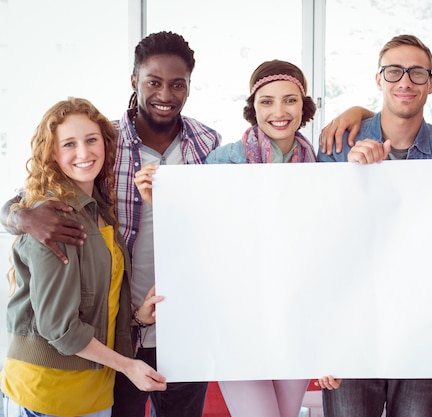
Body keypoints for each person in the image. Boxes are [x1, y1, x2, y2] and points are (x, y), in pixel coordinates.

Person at [0, 31, 221, 417]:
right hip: (117, 331)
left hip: (186, 322)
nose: (165, 94)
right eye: (153, 82)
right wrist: (22, 217)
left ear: (189, 86)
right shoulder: (104, 143)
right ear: (134, 81)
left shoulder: (207, 142)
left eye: (177, 84)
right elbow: (33, 192)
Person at [315, 34, 432, 417]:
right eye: (394, 71)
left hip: (424, 328)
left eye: (417, 73)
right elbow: (322, 250)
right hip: (353, 327)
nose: (405, 82)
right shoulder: (338, 146)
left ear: (431, 83)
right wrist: (352, 178)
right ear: (379, 79)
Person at [134, 59, 317, 417]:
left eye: (290, 100)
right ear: (253, 108)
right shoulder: (222, 162)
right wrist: (164, 203)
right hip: (236, 322)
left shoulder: (321, 165)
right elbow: (199, 236)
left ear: (304, 105)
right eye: (266, 101)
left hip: (295, 321)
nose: (279, 111)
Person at [0, 97, 167, 417]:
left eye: (91, 140)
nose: (84, 152)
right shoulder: (53, 217)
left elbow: (95, 302)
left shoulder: (99, 211)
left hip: (92, 389)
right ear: (51, 153)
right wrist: (129, 366)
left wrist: (137, 316)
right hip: (49, 392)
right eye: (69, 144)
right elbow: (59, 328)